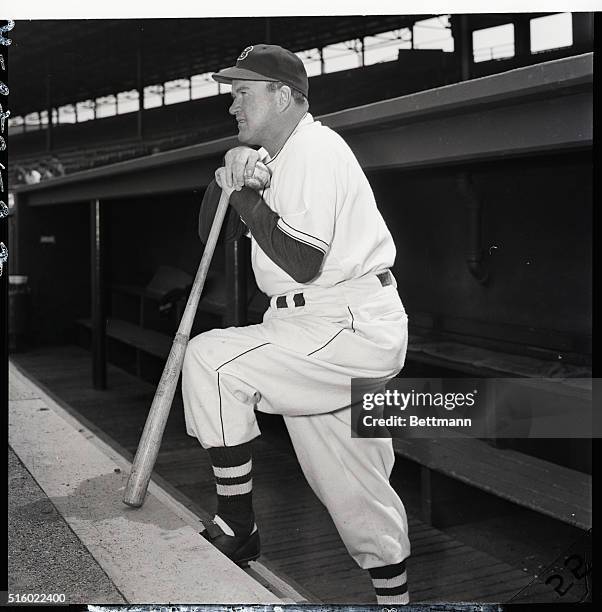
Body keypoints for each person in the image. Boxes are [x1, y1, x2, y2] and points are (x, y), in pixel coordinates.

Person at [182, 44, 410, 605]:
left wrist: (249, 193)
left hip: (344, 321)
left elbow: (304, 262)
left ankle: (239, 525)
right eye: (231, 92)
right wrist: (226, 179)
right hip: (317, 329)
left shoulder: (315, 147)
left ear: (284, 96)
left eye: (244, 92)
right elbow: (213, 236)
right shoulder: (276, 156)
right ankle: (397, 600)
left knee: (211, 359)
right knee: (358, 492)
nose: (232, 104)